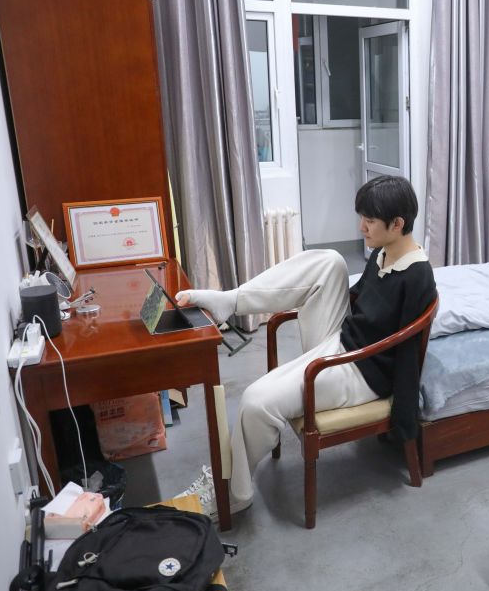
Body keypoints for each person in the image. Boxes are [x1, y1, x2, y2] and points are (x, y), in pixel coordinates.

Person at [176, 175, 437, 519]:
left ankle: (233, 493)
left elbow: (406, 350)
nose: (361, 227)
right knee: (329, 261)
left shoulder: (418, 276)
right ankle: (231, 300)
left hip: (363, 372)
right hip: (341, 342)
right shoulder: (382, 252)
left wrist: (404, 419)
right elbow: (361, 300)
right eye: (362, 218)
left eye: (369, 221)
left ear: (397, 224)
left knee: (255, 401)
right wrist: (322, 298)